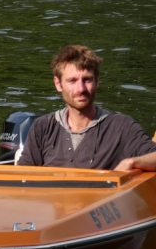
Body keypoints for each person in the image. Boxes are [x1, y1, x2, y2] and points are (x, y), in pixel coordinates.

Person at [17, 45, 156, 171]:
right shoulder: (42, 127)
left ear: (97, 81)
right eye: (72, 81)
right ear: (58, 84)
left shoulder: (121, 127)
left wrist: (132, 162)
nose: (81, 89)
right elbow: (22, 178)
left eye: (87, 80)